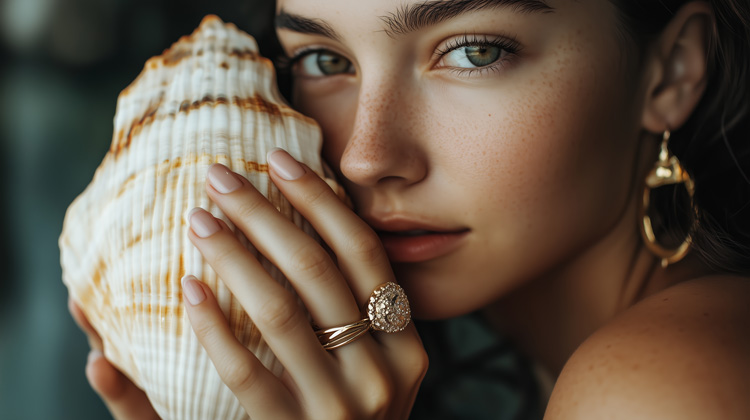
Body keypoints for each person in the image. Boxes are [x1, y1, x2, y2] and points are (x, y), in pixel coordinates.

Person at [69, 0, 750, 418]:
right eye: (323, 60)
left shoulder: (659, 389)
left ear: (672, 71)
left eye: (474, 51)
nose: (367, 156)